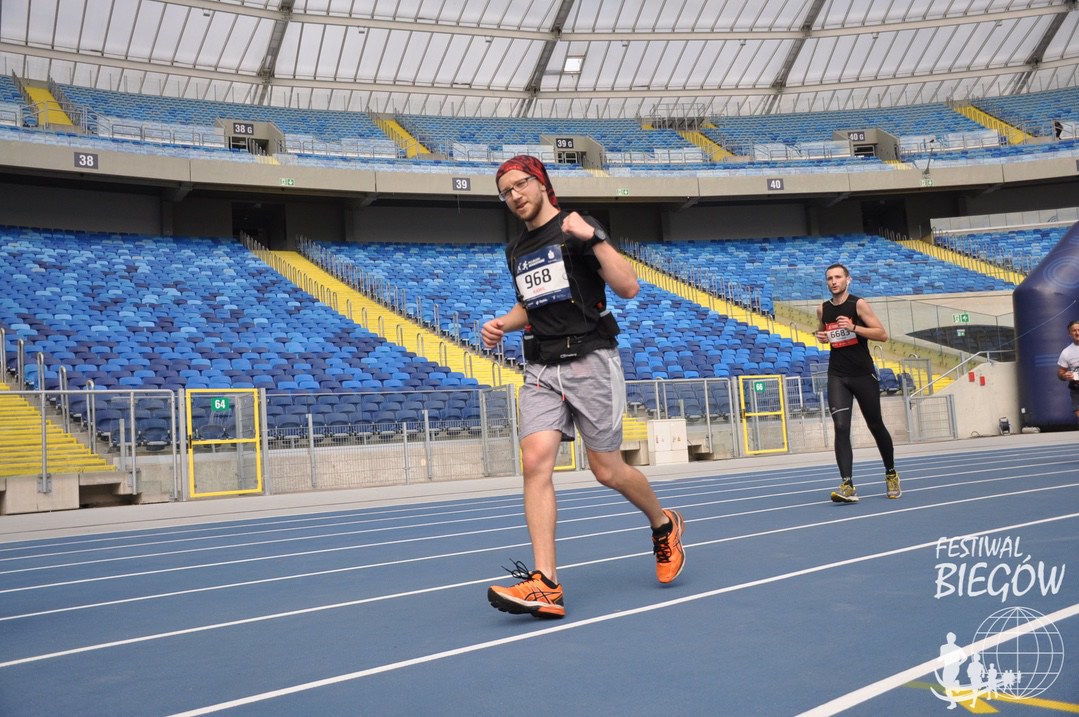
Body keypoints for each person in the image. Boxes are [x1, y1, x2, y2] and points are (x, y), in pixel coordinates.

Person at [481, 155, 685, 619]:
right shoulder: (516, 250)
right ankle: (546, 583)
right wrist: (502, 324)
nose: (514, 196)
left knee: (607, 471)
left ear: (541, 183)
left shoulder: (578, 228)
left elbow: (628, 287)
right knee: (534, 461)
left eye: (520, 185)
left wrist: (594, 237)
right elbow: (531, 305)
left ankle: (663, 524)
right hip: (541, 366)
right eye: (506, 191)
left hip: (591, 358)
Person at [814, 263, 901, 502]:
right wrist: (821, 336)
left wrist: (853, 327)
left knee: (876, 425)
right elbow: (824, 333)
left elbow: (882, 334)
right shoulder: (822, 309)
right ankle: (847, 485)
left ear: (848, 280)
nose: (834, 282)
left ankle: (891, 473)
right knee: (841, 427)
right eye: (830, 278)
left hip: (863, 374)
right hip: (837, 375)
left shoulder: (858, 304)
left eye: (838, 277)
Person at [1056, 319, 1079, 424]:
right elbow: (1060, 372)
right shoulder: (1066, 352)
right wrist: (1065, 376)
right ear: (1069, 334)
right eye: (1074, 331)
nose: (1077, 333)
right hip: (1076, 388)